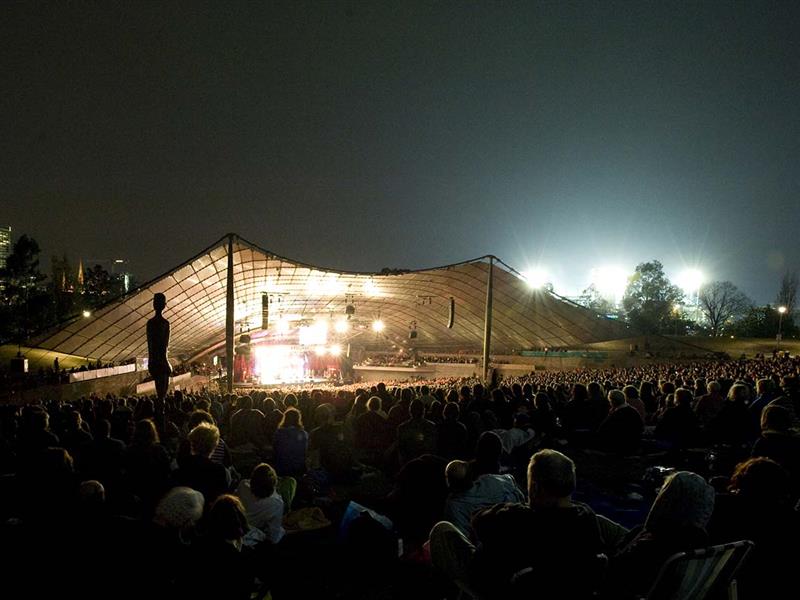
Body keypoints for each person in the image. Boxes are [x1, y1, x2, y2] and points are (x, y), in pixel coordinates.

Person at [430, 449, 615, 599]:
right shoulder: (587, 517)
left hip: (503, 587)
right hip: (567, 588)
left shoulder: (517, 518)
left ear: (534, 487)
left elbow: (478, 522)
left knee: (442, 531)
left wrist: (514, 508)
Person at [146, 293, 172, 401]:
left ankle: (160, 405)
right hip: (162, 362)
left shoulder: (150, 323)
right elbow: (165, 346)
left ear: (153, 305)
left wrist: (151, 362)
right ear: (164, 305)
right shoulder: (165, 323)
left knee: (159, 391)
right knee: (163, 393)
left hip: (154, 362)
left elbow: (150, 345)